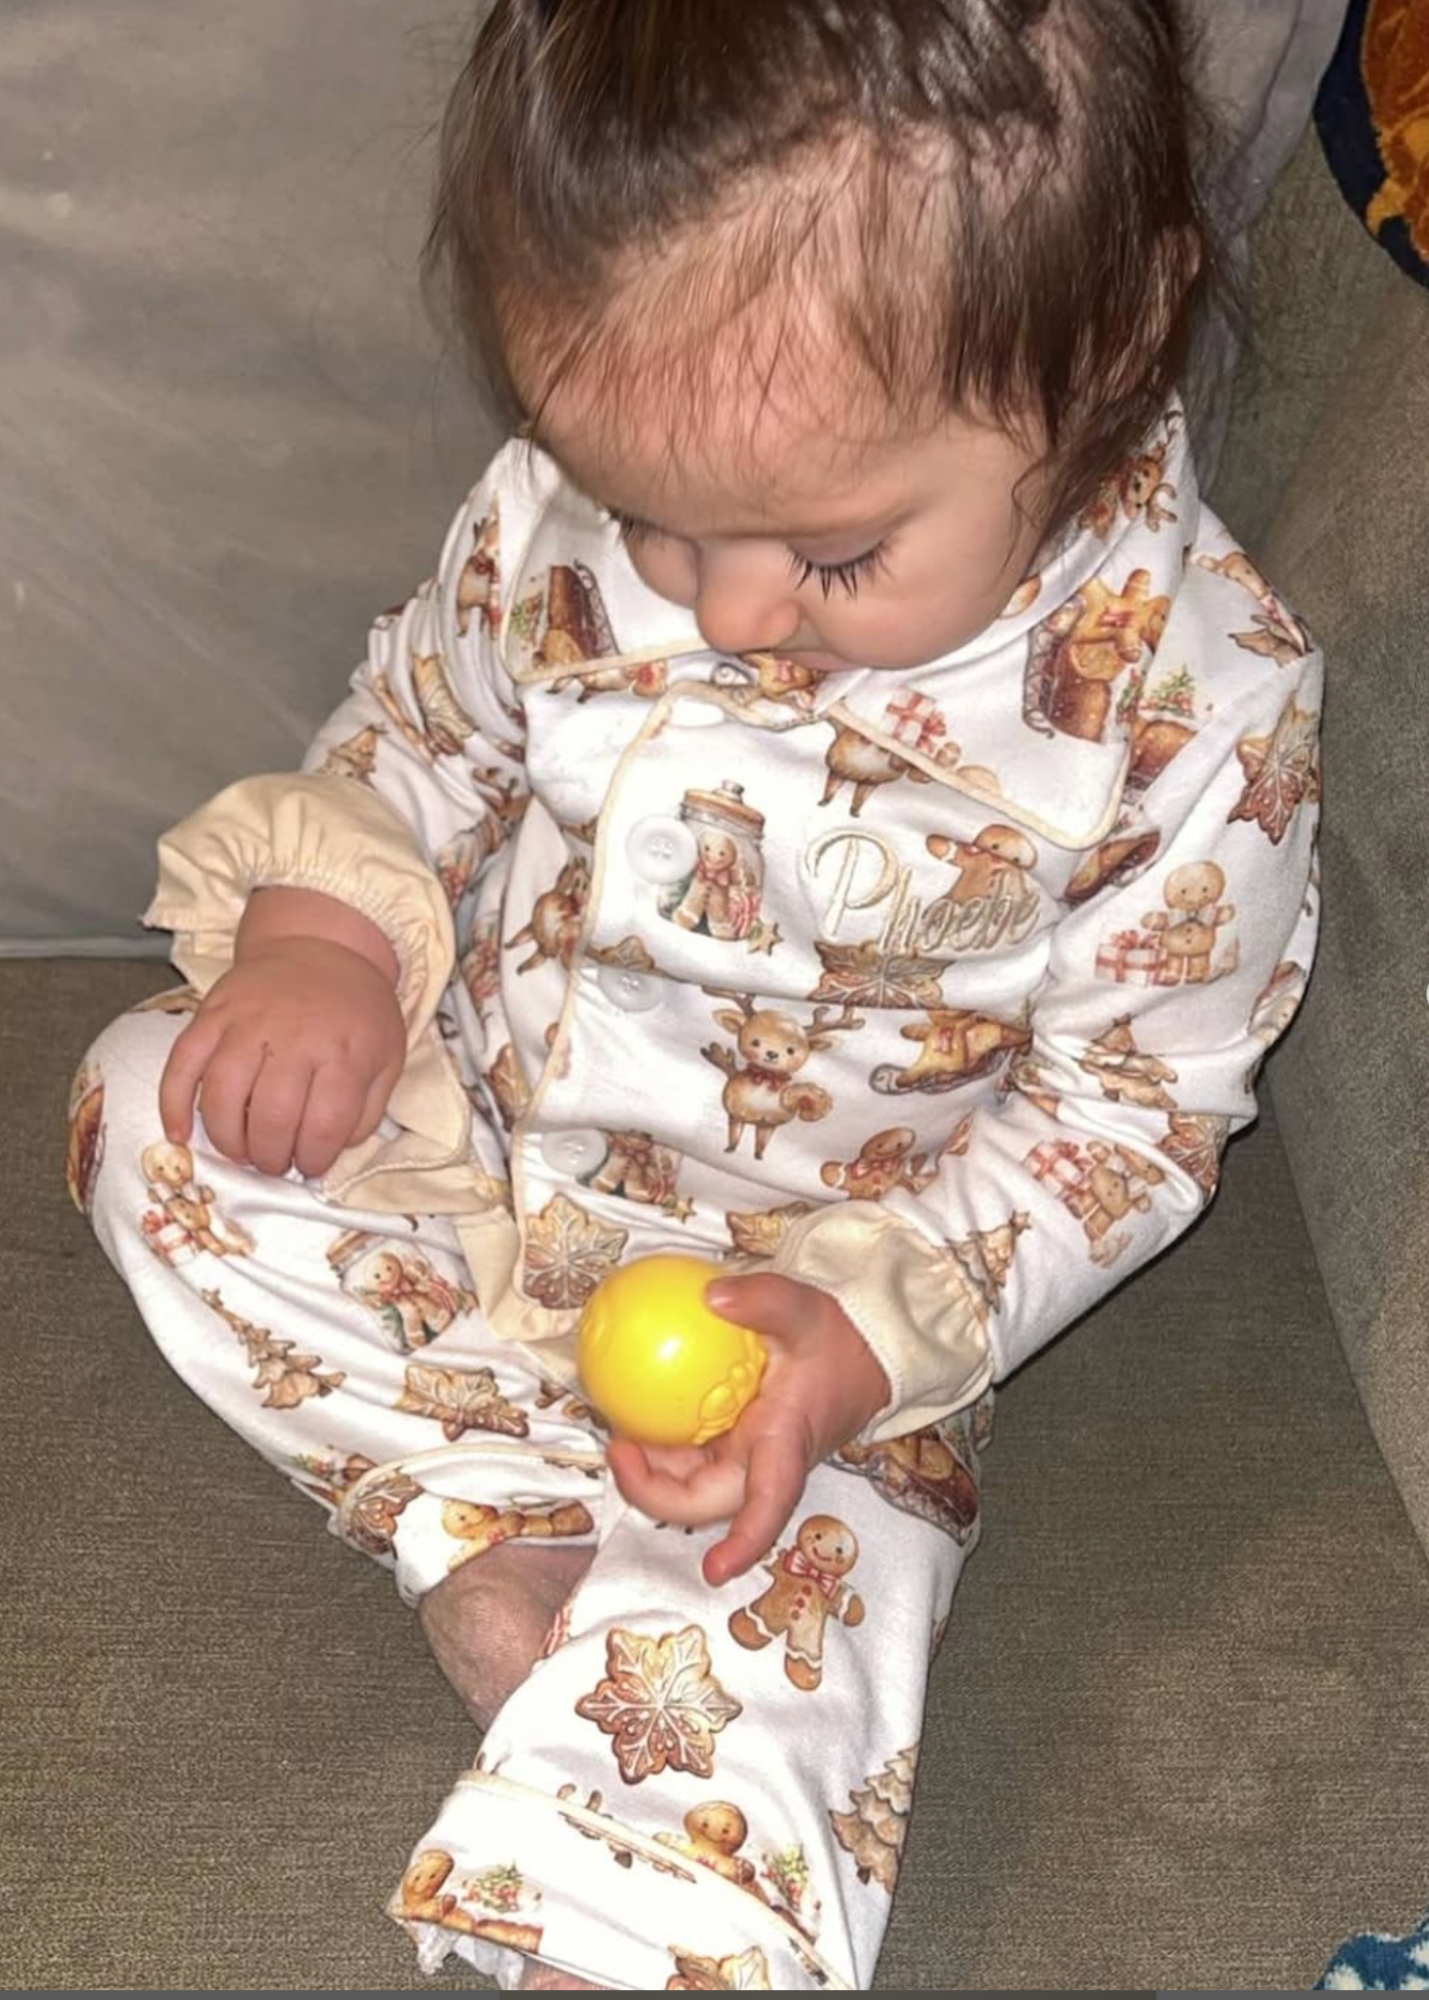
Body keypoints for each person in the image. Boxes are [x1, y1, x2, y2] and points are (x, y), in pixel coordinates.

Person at [74, 1, 1323, 1988]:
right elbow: (425, 738)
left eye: (832, 555)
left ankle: (639, 1846)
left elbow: (1135, 1115)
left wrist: (852, 1332)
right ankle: (495, 1528)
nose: (723, 609)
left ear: (1105, 354)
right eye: (653, 516)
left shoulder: (1193, 704)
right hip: (483, 1141)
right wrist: (324, 939)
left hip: (820, 1326)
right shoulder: (568, 521)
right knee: (161, 1103)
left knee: (790, 1622)